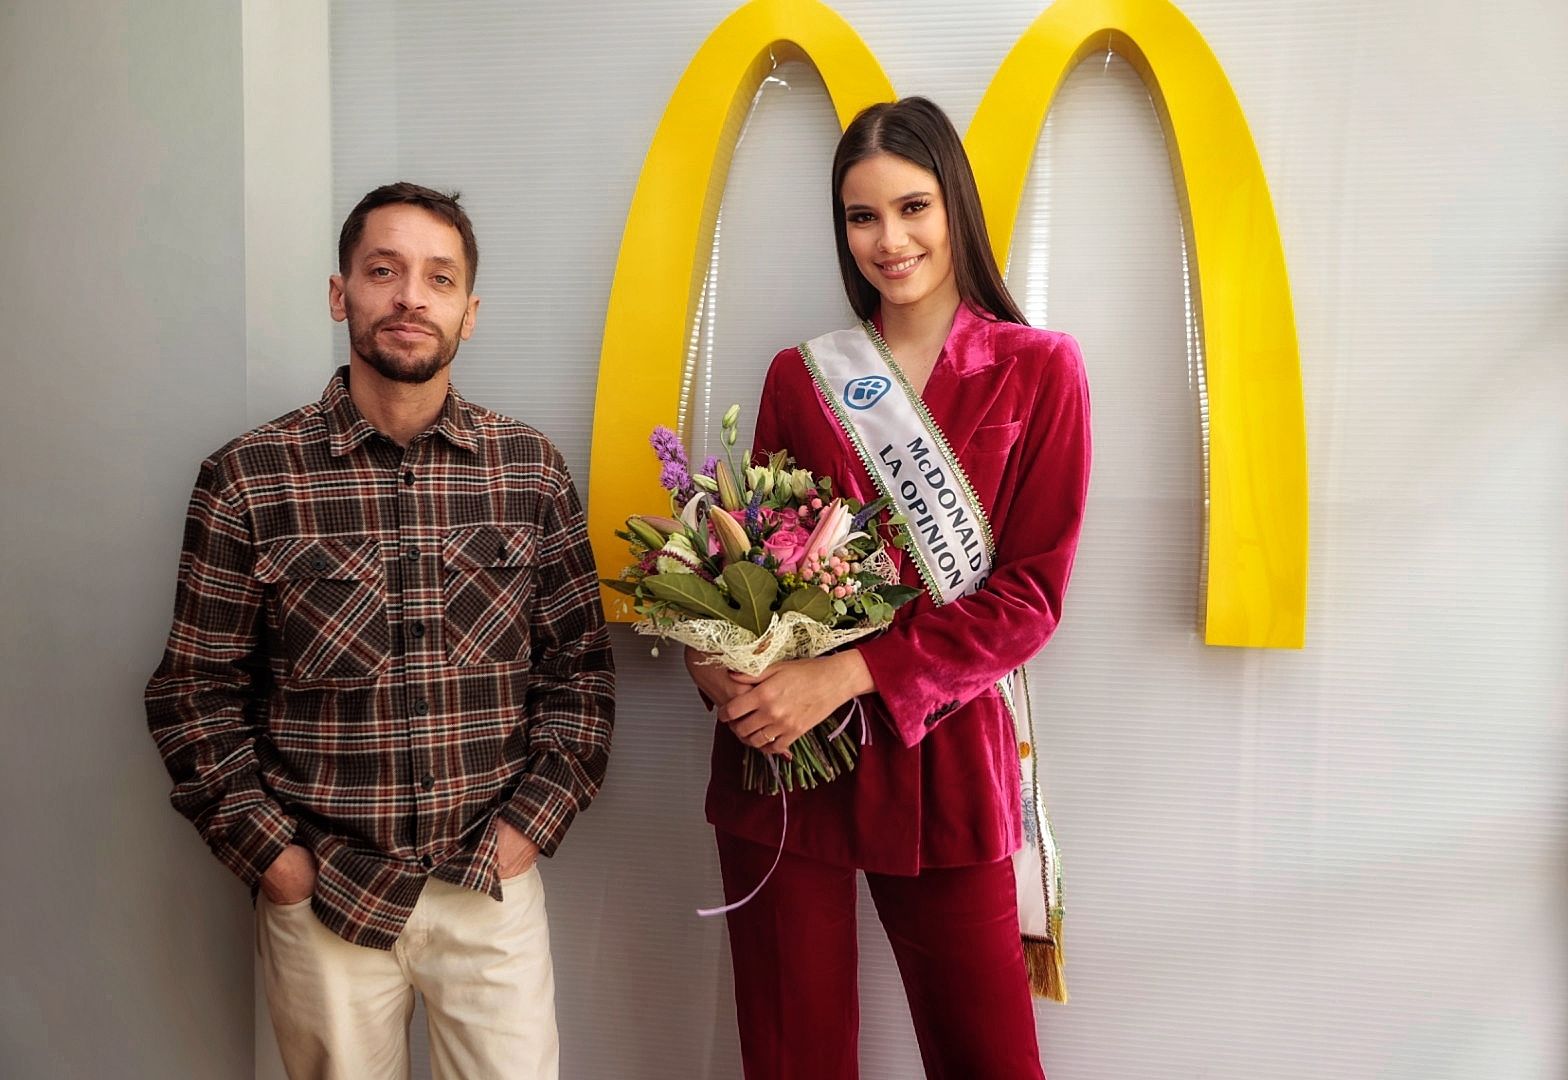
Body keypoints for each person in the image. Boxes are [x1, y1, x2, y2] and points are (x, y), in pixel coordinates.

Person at [145, 182, 614, 1080]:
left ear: (469, 313)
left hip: (489, 886)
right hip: (322, 893)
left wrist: (527, 830)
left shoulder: (532, 473)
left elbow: (582, 677)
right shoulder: (249, 478)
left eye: (439, 278)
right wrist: (274, 861)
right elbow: (191, 695)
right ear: (340, 294)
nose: (410, 296)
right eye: (384, 271)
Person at [686, 98, 1091, 1079]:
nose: (888, 239)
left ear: (954, 204)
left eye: (911, 207)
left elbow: (1028, 597)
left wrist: (845, 674)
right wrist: (716, 656)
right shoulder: (803, 375)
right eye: (860, 216)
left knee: (984, 1054)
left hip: (943, 760)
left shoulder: (1038, 372)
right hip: (787, 759)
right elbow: (764, 558)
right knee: (792, 1055)